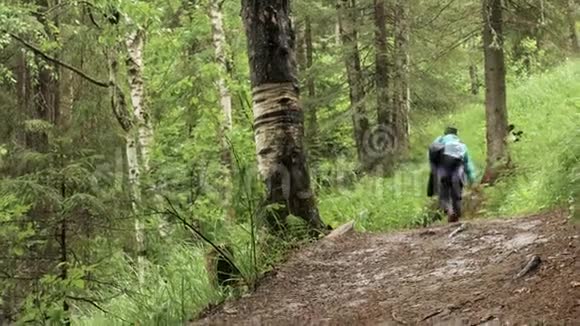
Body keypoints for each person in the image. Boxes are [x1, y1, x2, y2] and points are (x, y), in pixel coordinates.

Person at [427, 126, 476, 223]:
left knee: (444, 195)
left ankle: (449, 211)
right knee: (457, 195)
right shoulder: (461, 144)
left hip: (443, 170)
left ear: (445, 133)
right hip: (458, 170)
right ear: (456, 134)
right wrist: (472, 179)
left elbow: (432, 152)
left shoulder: (440, 141)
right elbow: (468, 164)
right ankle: (456, 216)